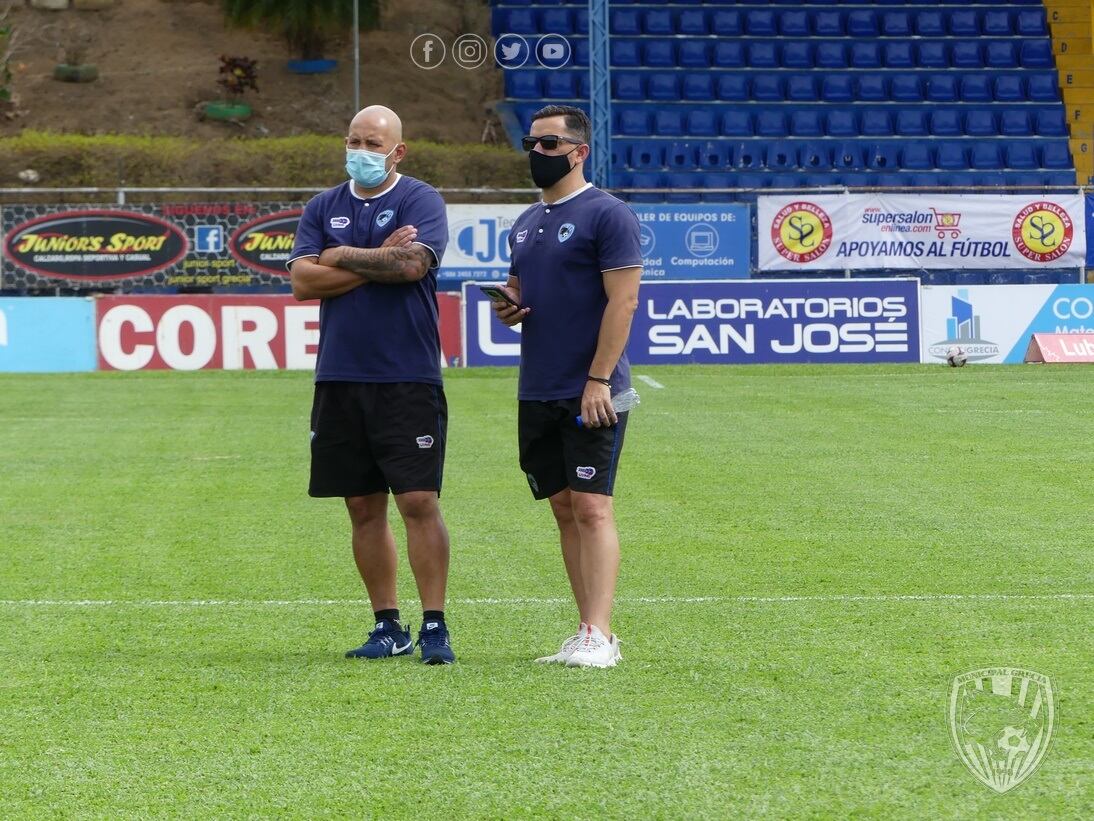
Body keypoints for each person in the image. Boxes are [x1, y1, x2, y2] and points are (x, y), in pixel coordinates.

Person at [288, 105, 455, 664]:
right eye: (353, 140)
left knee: (418, 500)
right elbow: (303, 282)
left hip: (407, 375)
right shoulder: (323, 206)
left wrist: (339, 257)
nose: (360, 151)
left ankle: (434, 624)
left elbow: (411, 267)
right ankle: (387, 625)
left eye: (372, 143)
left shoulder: (420, 199)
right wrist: (378, 257)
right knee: (362, 505)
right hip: (340, 375)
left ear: (397, 152)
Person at [491, 105, 643, 668]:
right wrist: (509, 307)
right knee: (561, 506)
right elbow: (519, 289)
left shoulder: (609, 214)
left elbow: (624, 302)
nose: (538, 152)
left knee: (592, 506)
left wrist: (598, 379)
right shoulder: (525, 222)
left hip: (593, 388)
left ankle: (602, 635)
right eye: (532, 143)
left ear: (579, 152)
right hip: (538, 385)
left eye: (550, 144)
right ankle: (584, 630)